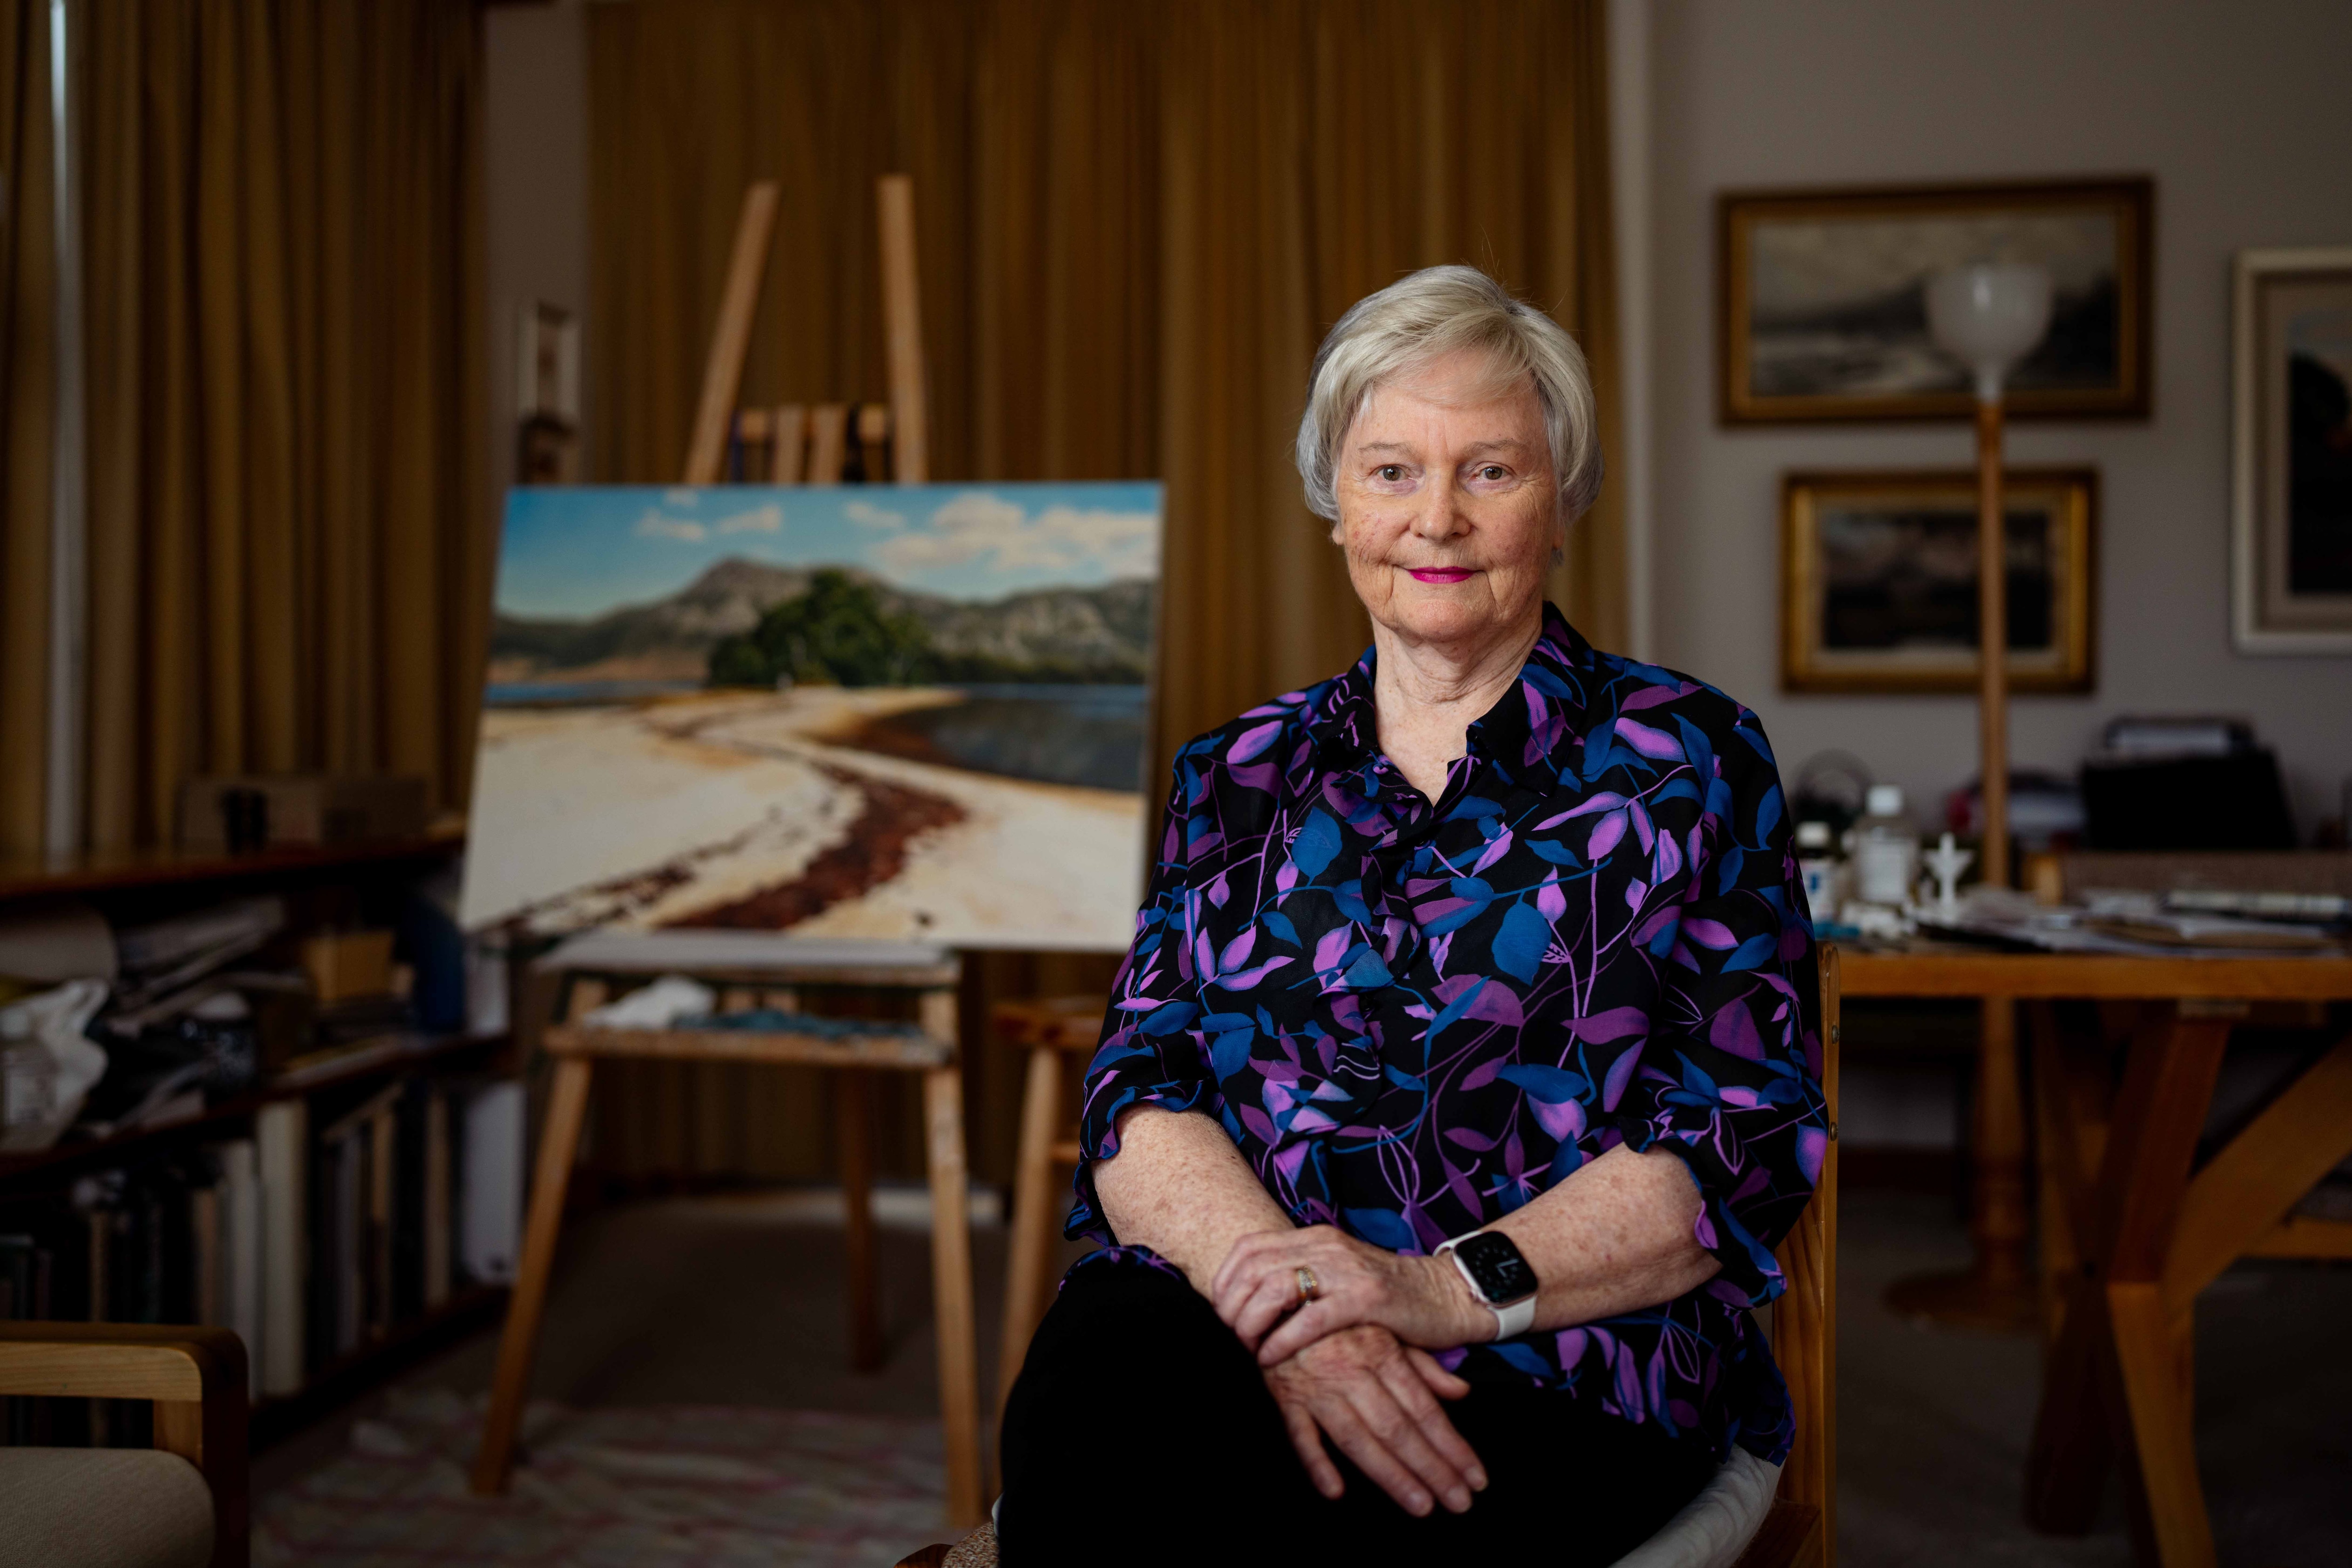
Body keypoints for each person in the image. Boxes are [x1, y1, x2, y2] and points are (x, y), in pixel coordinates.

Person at [997, 265, 1825, 1565]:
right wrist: (1295, 1307)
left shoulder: (1690, 758)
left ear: (1561, 504)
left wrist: (1432, 1292)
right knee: (1099, 1376)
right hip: (1234, 1326)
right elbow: (1140, 1091)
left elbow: (1739, 1139)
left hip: (1551, 1361)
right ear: (1336, 507)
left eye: (1489, 471)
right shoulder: (1238, 773)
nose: (1436, 518)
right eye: (1390, 472)